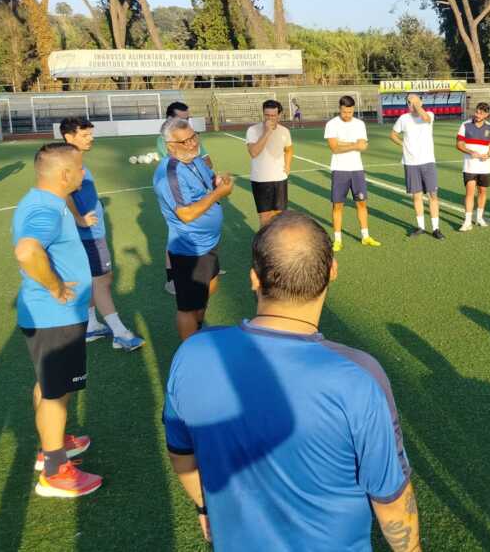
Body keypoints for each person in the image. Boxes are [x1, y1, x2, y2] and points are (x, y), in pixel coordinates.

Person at [164, 211, 421, 551]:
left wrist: (204, 504)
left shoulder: (191, 354)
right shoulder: (360, 377)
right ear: (332, 272)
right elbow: (390, 500)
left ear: (255, 278)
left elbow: (181, 454)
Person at [13, 142, 102, 498]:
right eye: (80, 168)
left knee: (50, 385)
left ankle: (54, 442)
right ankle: (54, 470)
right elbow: (27, 250)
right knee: (54, 393)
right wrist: (55, 287)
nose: (83, 173)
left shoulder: (43, 200)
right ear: (65, 174)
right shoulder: (46, 209)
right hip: (55, 316)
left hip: (52, 316)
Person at [59, 117, 144, 351]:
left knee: (94, 280)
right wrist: (79, 218)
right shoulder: (68, 162)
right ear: (69, 137)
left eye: (90, 134)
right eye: (85, 135)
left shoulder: (73, 159)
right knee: (102, 281)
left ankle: (91, 326)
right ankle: (120, 333)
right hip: (88, 234)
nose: (91, 138)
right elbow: (62, 193)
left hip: (90, 232)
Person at [153, 117, 233, 341]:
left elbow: (208, 184)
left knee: (206, 289)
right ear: (170, 146)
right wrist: (219, 194)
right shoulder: (169, 174)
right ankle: (189, 350)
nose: (191, 144)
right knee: (187, 307)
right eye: (184, 142)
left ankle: (198, 328)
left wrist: (218, 182)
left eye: (193, 137)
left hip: (209, 242)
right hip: (190, 248)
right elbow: (186, 214)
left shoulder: (196, 160)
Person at [158, 101, 211, 295]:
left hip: (200, 196)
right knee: (177, 236)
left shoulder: (190, 137)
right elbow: (179, 164)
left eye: (188, 118)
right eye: (183, 118)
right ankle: (173, 278)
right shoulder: (167, 142)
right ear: (171, 119)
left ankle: (206, 265)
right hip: (182, 197)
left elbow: (206, 160)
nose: (187, 121)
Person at [324, 95, 381, 251]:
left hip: (357, 169)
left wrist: (346, 143)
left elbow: (363, 146)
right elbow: (334, 147)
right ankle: (337, 240)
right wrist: (354, 144)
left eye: (350, 112)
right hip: (339, 170)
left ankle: (365, 236)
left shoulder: (360, 124)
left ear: (353, 109)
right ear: (339, 109)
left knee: (361, 203)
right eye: (344, 112)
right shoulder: (331, 124)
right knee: (338, 205)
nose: (347, 115)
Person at [390, 93, 444, 239]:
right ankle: (420, 226)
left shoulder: (429, 115)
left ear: (421, 101)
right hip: (411, 162)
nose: (411, 104)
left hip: (427, 161)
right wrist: (403, 144)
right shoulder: (403, 118)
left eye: (414, 101)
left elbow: (425, 118)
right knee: (417, 196)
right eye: (409, 102)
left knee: (433, 194)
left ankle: (436, 228)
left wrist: (417, 105)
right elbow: (393, 134)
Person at [246, 99, 293, 227]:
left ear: (279, 115)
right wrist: (267, 132)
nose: (270, 118)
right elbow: (254, 152)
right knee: (265, 217)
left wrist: (288, 166)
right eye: (267, 115)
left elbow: (289, 149)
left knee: (280, 215)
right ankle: (264, 245)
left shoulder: (285, 131)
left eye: (273, 115)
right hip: (260, 179)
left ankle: (278, 244)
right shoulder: (253, 130)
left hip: (280, 179)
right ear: (263, 114)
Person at [456, 102, 490, 231]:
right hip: (470, 166)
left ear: (486, 114)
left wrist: (489, 154)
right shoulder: (465, 125)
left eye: (481, 113)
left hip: (484, 167)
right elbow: (459, 144)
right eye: (477, 112)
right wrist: (470, 152)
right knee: (469, 192)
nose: (477, 115)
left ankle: (479, 218)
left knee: (482, 191)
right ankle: (467, 221)